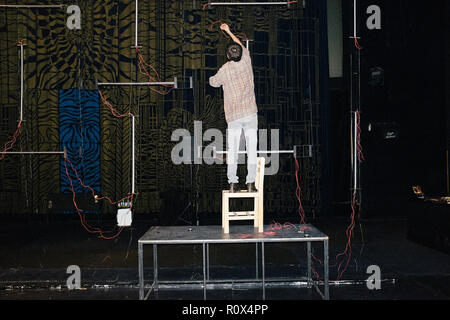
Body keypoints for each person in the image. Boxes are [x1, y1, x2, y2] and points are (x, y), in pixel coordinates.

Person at [209, 23, 258, 193]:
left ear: (227, 56)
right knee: (252, 149)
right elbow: (240, 46)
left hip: (234, 117)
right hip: (250, 114)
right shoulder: (246, 61)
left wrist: (214, 77)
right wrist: (229, 31)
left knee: (233, 150)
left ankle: (232, 183)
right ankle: (251, 183)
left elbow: (213, 83)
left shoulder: (225, 70)